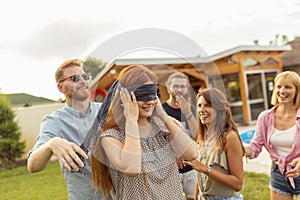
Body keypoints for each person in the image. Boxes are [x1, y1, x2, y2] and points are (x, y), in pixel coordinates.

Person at [90, 64, 199, 200]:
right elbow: (132, 168)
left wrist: (164, 116)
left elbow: (192, 154)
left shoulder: (162, 127)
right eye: (143, 94)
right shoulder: (111, 136)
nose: (149, 101)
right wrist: (131, 120)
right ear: (126, 96)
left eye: (152, 93)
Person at [27, 59, 103, 200]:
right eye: (74, 78)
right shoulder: (55, 122)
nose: (82, 81)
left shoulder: (106, 110)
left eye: (85, 77)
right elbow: (33, 165)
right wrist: (51, 144)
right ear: (60, 88)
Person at [244, 71, 300, 200]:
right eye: (279, 86)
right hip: (278, 173)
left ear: (297, 90)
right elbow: (255, 145)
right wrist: (240, 149)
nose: (282, 91)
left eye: (288, 87)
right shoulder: (265, 117)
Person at [184, 88, 244, 200]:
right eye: (199, 106)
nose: (201, 110)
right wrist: (196, 197)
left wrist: (206, 169)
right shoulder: (203, 136)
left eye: (207, 105)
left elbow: (238, 183)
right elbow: (200, 175)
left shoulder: (230, 137)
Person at [162, 72, 198, 200]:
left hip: (191, 166)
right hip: (171, 167)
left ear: (187, 89)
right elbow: (160, 139)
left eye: (183, 86)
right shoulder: (162, 110)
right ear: (168, 88)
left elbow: (196, 135)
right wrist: (175, 154)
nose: (179, 89)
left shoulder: (192, 109)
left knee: (192, 197)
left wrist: (188, 112)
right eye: (175, 86)